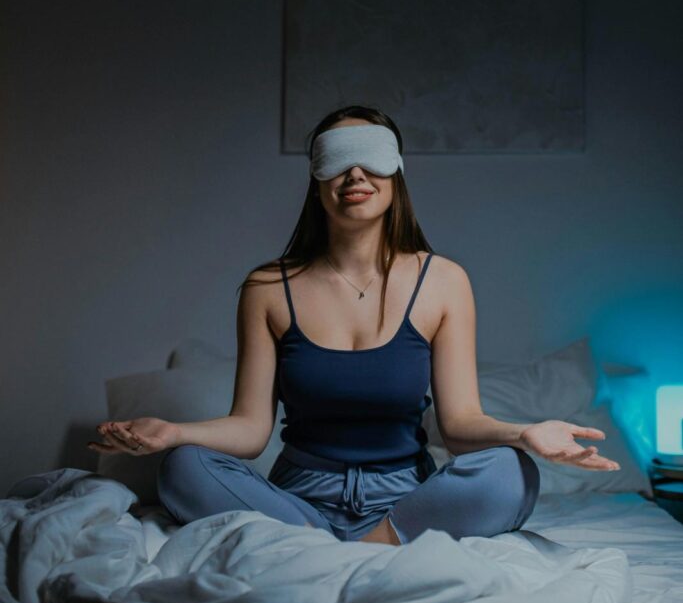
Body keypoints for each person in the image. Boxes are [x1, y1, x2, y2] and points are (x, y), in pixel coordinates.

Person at [88, 105, 620, 545]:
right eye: (338, 161)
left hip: (407, 501)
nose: (356, 174)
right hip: (296, 499)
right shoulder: (268, 287)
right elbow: (251, 430)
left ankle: (359, 547)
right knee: (183, 468)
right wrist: (172, 432)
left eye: (371, 159)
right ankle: (329, 543)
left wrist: (525, 433)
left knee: (512, 471)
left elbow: (459, 427)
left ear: (396, 174)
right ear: (317, 181)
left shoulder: (443, 281)